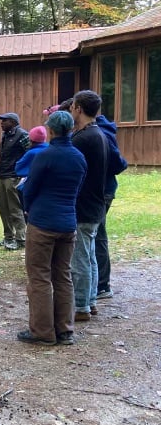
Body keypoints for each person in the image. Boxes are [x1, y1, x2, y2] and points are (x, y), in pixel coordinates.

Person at [17, 111, 87, 346]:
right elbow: (78, 191)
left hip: (43, 223)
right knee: (63, 275)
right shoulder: (78, 157)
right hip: (68, 223)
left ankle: (42, 331)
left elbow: (29, 188)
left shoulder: (46, 156)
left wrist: (28, 209)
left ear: (53, 130)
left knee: (39, 277)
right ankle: (65, 330)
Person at [69, 90, 109, 322]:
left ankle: (82, 305)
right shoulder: (98, 134)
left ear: (79, 109)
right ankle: (91, 301)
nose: (72, 110)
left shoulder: (83, 139)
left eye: (73, 106)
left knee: (81, 258)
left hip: (84, 206)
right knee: (90, 255)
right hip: (95, 205)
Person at [94, 114, 128, 300]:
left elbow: (118, 163)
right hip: (98, 190)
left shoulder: (101, 134)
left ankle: (102, 285)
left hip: (102, 191)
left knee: (98, 234)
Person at [0, 112, 30, 250]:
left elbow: (29, 153)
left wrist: (21, 172)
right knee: (3, 208)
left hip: (13, 176)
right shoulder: (5, 135)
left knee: (15, 208)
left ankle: (21, 239)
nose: (1, 123)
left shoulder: (22, 135)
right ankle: (8, 237)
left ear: (13, 122)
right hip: (3, 175)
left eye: (5, 120)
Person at [15, 126, 49, 207]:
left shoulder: (31, 153)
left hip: (31, 186)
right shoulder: (50, 149)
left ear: (31, 140)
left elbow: (18, 168)